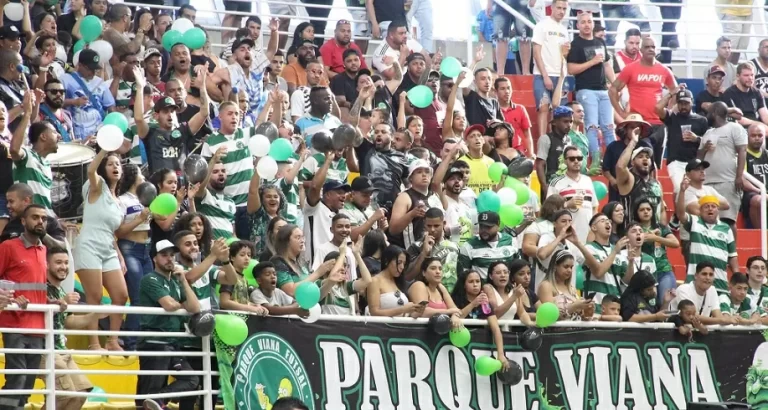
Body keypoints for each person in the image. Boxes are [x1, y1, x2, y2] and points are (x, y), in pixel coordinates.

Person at [136, 239, 201, 410]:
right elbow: (170, 305)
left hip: (172, 343)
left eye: (172, 255)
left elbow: (195, 307)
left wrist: (184, 281)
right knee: (150, 387)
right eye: (164, 255)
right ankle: (155, 399)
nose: (169, 259)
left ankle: (158, 399)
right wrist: (180, 305)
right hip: (153, 341)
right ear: (154, 259)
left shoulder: (176, 282)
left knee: (191, 379)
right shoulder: (150, 278)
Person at [73, 150, 127, 351]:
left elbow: (115, 232)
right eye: (110, 164)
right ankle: (94, 344)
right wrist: (105, 148)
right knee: (94, 296)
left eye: (118, 164)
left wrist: (120, 254)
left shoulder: (119, 201)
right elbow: (90, 169)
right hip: (89, 246)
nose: (115, 167)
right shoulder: (98, 187)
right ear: (104, 168)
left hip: (108, 249)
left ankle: (113, 341)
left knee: (120, 295)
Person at [0, 204, 49, 410]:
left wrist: (52, 302)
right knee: (17, 378)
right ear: (23, 221)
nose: (40, 221)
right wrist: (11, 296)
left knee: (28, 381)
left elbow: (39, 287)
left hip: (38, 326)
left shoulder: (44, 249)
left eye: (43, 218)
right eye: (35, 217)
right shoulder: (8, 247)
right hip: (14, 323)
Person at [44, 247, 99, 410]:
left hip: (62, 349)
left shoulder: (61, 289)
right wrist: (62, 300)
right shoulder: (41, 287)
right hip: (46, 349)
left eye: (66, 263)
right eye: (58, 262)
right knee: (63, 394)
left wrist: (96, 314)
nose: (63, 267)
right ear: (46, 265)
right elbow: (40, 316)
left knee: (82, 391)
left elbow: (69, 322)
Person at [566, 12, 616, 172]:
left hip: (604, 90)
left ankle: (614, 161)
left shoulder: (601, 41)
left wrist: (615, 85)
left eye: (589, 21)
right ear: (578, 25)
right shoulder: (576, 44)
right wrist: (592, 62)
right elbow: (571, 69)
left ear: (593, 24)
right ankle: (595, 160)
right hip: (586, 90)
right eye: (583, 22)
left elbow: (607, 65)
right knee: (592, 127)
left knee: (609, 127)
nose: (587, 24)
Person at [698, 101, 747, 238]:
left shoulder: (734, 128)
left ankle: (731, 254)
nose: (707, 116)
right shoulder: (708, 132)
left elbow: (742, 151)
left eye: (709, 113)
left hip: (728, 181)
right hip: (707, 183)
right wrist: (704, 149)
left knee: (728, 221)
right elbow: (699, 157)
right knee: (709, 221)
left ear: (714, 113)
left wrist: (739, 176)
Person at [450, 270, 510, 370]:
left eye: (477, 281)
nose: (475, 285)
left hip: (477, 348)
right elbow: (456, 317)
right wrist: (473, 304)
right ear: (464, 285)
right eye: (471, 282)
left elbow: (496, 329)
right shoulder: (456, 299)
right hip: (456, 346)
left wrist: (501, 354)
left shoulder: (485, 303)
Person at [656, 86, 710, 198]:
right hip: (676, 162)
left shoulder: (701, 120)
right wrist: (671, 93)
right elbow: (658, 108)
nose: (683, 106)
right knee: (679, 188)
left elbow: (709, 142)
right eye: (680, 103)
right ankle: (678, 215)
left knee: (695, 193)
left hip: (695, 163)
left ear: (692, 102)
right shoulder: (672, 117)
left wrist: (697, 139)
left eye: (686, 103)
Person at [9, 94, 58, 215]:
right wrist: (27, 113)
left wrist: (57, 221)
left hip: (47, 220)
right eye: (55, 132)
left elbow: (45, 202)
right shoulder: (27, 156)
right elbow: (14, 149)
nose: (59, 136)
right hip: (31, 220)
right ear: (43, 136)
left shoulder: (46, 164)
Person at [615, 119, 663, 230]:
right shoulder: (629, 179)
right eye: (640, 157)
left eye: (647, 157)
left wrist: (662, 232)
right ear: (632, 162)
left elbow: (662, 211)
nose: (645, 159)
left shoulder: (656, 183)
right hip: (632, 237)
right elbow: (620, 167)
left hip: (654, 237)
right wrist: (633, 142)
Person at [61, 49, 116, 142]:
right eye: (89, 69)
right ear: (80, 65)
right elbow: (52, 103)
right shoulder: (65, 80)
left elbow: (111, 107)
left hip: (98, 134)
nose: (92, 72)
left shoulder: (100, 83)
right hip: (76, 134)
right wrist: (74, 102)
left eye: (94, 69)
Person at [531, 0, 568, 136]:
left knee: (558, 110)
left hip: (560, 74)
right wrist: (545, 75)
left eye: (564, 8)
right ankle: (542, 141)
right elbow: (536, 52)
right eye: (559, 7)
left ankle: (556, 140)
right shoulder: (541, 26)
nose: (561, 11)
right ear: (551, 7)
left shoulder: (564, 30)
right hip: (542, 74)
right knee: (543, 108)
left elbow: (564, 54)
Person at [634, 197, 680, 305]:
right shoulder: (635, 228)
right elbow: (633, 242)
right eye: (642, 210)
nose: (646, 211)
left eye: (648, 209)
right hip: (644, 273)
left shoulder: (661, 227)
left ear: (653, 211)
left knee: (665, 302)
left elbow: (675, 243)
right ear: (636, 212)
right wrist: (646, 236)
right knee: (648, 306)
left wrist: (656, 238)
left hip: (664, 270)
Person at [547, 146, 597, 242]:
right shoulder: (556, 182)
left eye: (579, 158)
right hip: (566, 236)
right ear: (565, 161)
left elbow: (594, 206)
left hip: (588, 237)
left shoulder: (588, 180)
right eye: (572, 158)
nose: (576, 161)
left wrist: (593, 229)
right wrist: (567, 204)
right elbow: (548, 211)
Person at [404, 207, 459, 292]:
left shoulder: (454, 247)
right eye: (429, 226)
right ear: (424, 224)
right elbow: (408, 276)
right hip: (426, 294)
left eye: (436, 226)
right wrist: (424, 253)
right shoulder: (416, 246)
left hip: (451, 295)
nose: (432, 229)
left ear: (444, 223)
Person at [583, 213, 629, 309]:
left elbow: (626, 280)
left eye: (609, 221)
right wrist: (615, 251)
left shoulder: (617, 249)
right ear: (594, 227)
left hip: (615, 308)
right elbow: (598, 273)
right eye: (603, 221)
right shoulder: (589, 248)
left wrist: (632, 262)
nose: (608, 223)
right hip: (595, 307)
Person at [670, 261, 737, 325]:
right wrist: (723, 320)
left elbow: (718, 315)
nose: (708, 278)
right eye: (704, 274)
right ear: (696, 276)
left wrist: (734, 320)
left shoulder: (712, 290)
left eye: (711, 275)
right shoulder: (683, 289)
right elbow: (692, 317)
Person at [458, 211, 519, 280]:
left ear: (498, 225)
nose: (484, 230)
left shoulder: (511, 241)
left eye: (488, 227)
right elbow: (463, 277)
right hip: (482, 290)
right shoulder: (469, 245)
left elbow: (518, 269)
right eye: (481, 226)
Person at [366, 245, 425, 317]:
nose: (402, 267)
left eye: (404, 263)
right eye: (399, 262)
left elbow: (404, 314)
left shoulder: (399, 282)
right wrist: (402, 309)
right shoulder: (375, 281)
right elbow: (374, 312)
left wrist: (416, 311)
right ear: (386, 261)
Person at [538, 249, 596, 321]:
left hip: (577, 330)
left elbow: (581, 317)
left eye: (571, 267)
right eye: (566, 266)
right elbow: (550, 315)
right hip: (556, 331)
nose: (569, 270)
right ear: (555, 266)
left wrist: (588, 310)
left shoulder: (571, 289)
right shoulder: (546, 286)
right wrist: (574, 307)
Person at [0, 183, 65, 247]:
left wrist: (42, 234)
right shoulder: (11, 225)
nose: (8, 206)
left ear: (26, 201)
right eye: (7, 202)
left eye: (11, 201)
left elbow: (63, 247)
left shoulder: (51, 222)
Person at [495, 77, 534, 158]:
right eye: (502, 89)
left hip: (518, 152)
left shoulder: (520, 109)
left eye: (509, 88)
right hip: (500, 153)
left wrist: (531, 154)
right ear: (496, 91)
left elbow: (527, 134)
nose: (507, 91)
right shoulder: (493, 110)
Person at [723, 63, 768, 128]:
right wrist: (760, 125)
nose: (750, 78)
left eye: (752, 75)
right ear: (738, 77)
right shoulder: (729, 94)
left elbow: (765, 116)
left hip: (756, 128)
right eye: (746, 75)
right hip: (739, 128)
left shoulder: (757, 92)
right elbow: (739, 120)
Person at [743, 124, 768, 228]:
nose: (757, 138)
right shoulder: (743, 155)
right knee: (758, 200)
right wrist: (760, 191)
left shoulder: (767, 154)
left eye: (760, 135)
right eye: (753, 135)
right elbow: (742, 181)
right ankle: (761, 234)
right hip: (750, 194)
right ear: (747, 136)